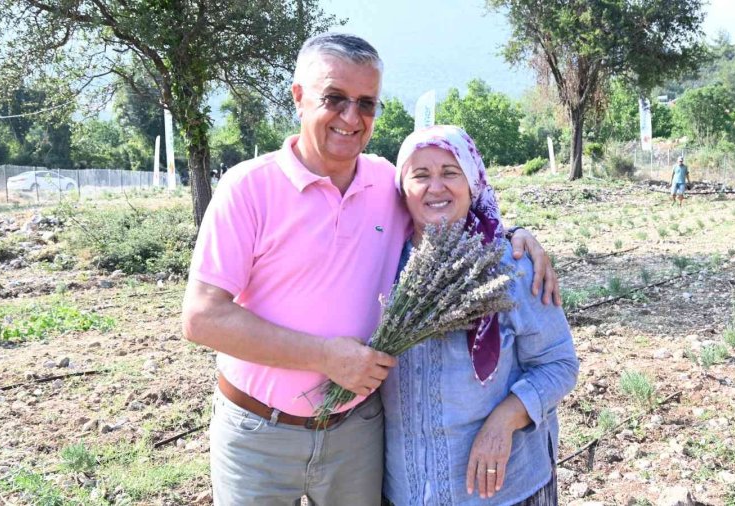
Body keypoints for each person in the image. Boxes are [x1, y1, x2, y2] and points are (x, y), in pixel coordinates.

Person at [180, 33, 559, 506]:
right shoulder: (247, 188)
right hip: (261, 434)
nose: (350, 118)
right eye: (334, 99)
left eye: (366, 104)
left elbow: (452, 209)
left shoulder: (386, 183)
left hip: (356, 434)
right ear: (299, 98)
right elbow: (201, 318)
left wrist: (515, 236)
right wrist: (325, 357)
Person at [382, 125, 579, 506]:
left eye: (450, 173)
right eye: (420, 175)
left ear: (472, 182)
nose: (435, 187)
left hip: (503, 491)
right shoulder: (385, 264)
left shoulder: (512, 265)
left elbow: (559, 363)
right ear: (402, 188)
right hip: (405, 489)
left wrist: (505, 419)